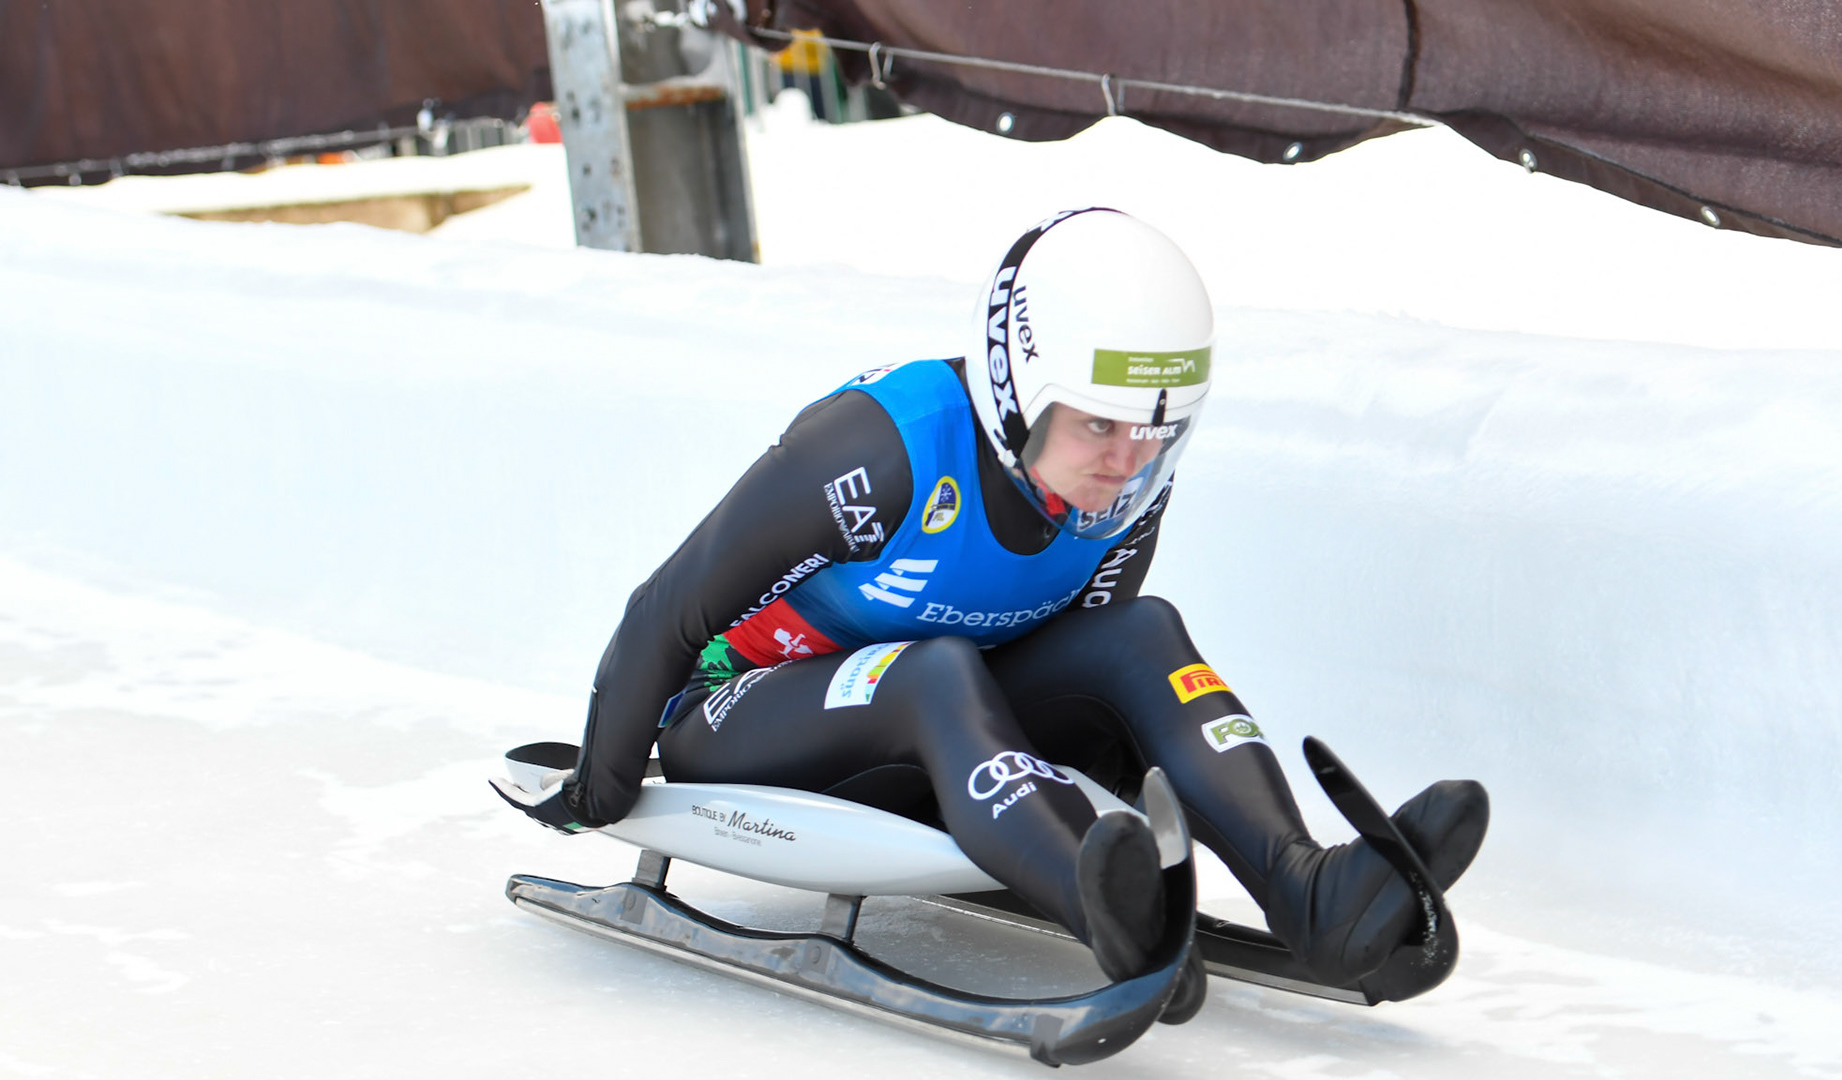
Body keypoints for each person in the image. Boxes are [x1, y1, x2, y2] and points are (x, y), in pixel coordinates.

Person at [498, 207, 1489, 1019]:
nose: (1126, 460)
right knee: (931, 667)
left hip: (940, 729)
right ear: (1019, 390)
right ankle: (1104, 908)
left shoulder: (1124, 481)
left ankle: (1307, 887)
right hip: (740, 712)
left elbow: (1087, 692)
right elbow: (668, 608)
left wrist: (1094, 794)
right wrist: (601, 786)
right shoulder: (881, 452)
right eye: (1099, 422)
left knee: (1140, 633)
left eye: (1155, 431)